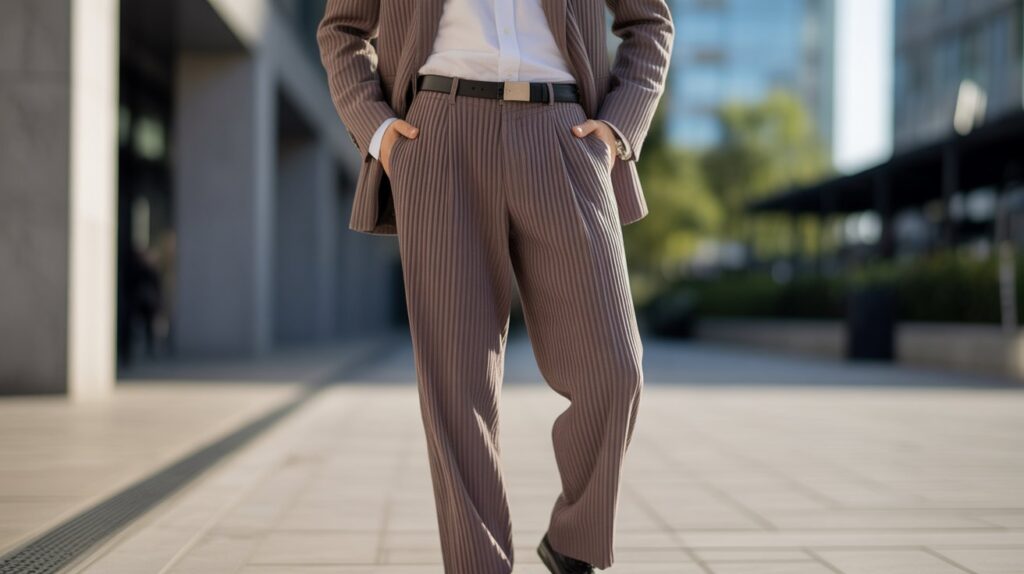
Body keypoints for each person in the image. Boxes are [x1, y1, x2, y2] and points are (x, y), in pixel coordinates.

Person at [317, 1, 673, 572]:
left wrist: (616, 129)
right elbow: (343, 29)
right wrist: (379, 131)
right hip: (437, 135)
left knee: (616, 368)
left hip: (565, 132)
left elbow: (649, 21)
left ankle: (573, 543)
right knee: (457, 388)